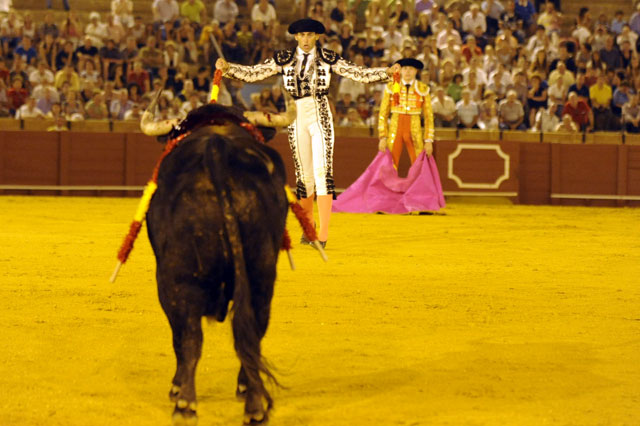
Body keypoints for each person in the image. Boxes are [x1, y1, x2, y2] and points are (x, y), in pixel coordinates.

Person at [216, 18, 398, 248]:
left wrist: (387, 72)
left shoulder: (328, 58)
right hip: (295, 116)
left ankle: (322, 234)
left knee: (322, 172)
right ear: (295, 37)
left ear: (317, 37)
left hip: (320, 113)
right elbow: (254, 73)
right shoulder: (284, 59)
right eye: (302, 35)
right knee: (305, 175)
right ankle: (309, 227)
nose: (305, 39)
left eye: (310, 35)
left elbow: (358, 73)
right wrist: (229, 68)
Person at [378, 58, 434, 167]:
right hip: (395, 125)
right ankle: (389, 184)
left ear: (416, 71)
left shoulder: (423, 88)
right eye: (405, 69)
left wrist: (428, 140)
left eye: (411, 69)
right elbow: (383, 114)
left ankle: (417, 184)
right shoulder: (392, 86)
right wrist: (383, 137)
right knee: (390, 161)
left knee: (418, 161)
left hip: (414, 127)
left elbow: (429, 116)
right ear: (400, 71)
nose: (408, 71)